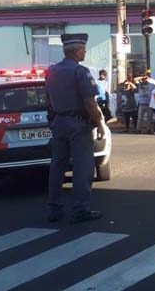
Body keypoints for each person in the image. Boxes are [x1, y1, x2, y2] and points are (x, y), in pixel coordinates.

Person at [45, 33, 104, 224]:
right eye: (84, 49)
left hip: (58, 123)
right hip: (78, 124)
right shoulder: (80, 72)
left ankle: (54, 209)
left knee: (57, 167)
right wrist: (100, 123)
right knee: (83, 167)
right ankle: (80, 209)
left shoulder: (52, 71)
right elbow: (90, 102)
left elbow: (48, 100)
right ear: (77, 51)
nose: (85, 52)